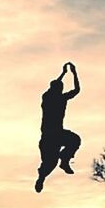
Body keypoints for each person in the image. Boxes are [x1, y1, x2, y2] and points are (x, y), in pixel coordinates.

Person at [35, 62, 82, 193]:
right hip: (51, 136)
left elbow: (56, 84)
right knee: (50, 163)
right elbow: (76, 90)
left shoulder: (48, 97)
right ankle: (42, 176)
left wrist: (63, 74)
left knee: (75, 140)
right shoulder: (56, 98)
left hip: (54, 135)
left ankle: (64, 160)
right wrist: (73, 73)